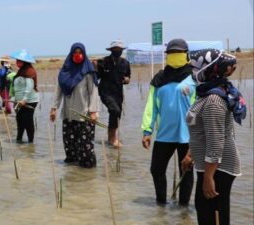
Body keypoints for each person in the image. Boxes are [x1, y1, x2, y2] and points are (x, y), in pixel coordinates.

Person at [182, 49, 244, 225]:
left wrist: (209, 177)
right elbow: (202, 132)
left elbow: (216, 141)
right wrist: (190, 153)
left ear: (208, 69)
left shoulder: (213, 100)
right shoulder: (207, 93)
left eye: (195, 68)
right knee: (205, 212)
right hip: (210, 166)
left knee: (212, 217)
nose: (192, 72)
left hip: (218, 168)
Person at [141, 38, 195, 206]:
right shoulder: (159, 78)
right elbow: (151, 106)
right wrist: (147, 131)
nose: (174, 56)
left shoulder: (195, 77)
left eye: (178, 53)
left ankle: (184, 209)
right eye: (171, 53)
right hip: (164, 133)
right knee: (156, 170)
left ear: (186, 55)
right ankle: (161, 205)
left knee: (186, 172)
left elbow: (201, 106)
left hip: (188, 135)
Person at [50, 43, 99, 168]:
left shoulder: (88, 71)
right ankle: (73, 180)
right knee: (70, 147)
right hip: (69, 115)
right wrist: (54, 108)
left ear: (84, 54)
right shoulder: (64, 72)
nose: (77, 55)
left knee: (85, 149)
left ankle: (89, 178)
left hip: (85, 116)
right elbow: (58, 91)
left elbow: (93, 92)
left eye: (80, 52)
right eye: (75, 53)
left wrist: (93, 111)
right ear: (71, 54)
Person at [96, 39, 131, 147]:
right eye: (115, 49)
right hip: (105, 91)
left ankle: (110, 136)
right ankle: (112, 139)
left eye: (119, 49)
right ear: (111, 50)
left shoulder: (125, 63)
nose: (117, 51)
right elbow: (96, 76)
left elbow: (128, 77)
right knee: (114, 110)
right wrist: (94, 67)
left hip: (118, 92)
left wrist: (127, 80)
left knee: (117, 114)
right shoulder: (103, 61)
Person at [10, 49, 39, 143]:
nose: (17, 62)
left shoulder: (30, 71)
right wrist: (14, 97)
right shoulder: (20, 71)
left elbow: (29, 86)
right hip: (19, 101)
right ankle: (19, 140)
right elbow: (16, 87)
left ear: (25, 62)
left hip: (30, 100)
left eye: (19, 60)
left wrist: (24, 99)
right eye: (17, 60)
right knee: (19, 120)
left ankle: (31, 143)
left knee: (27, 121)